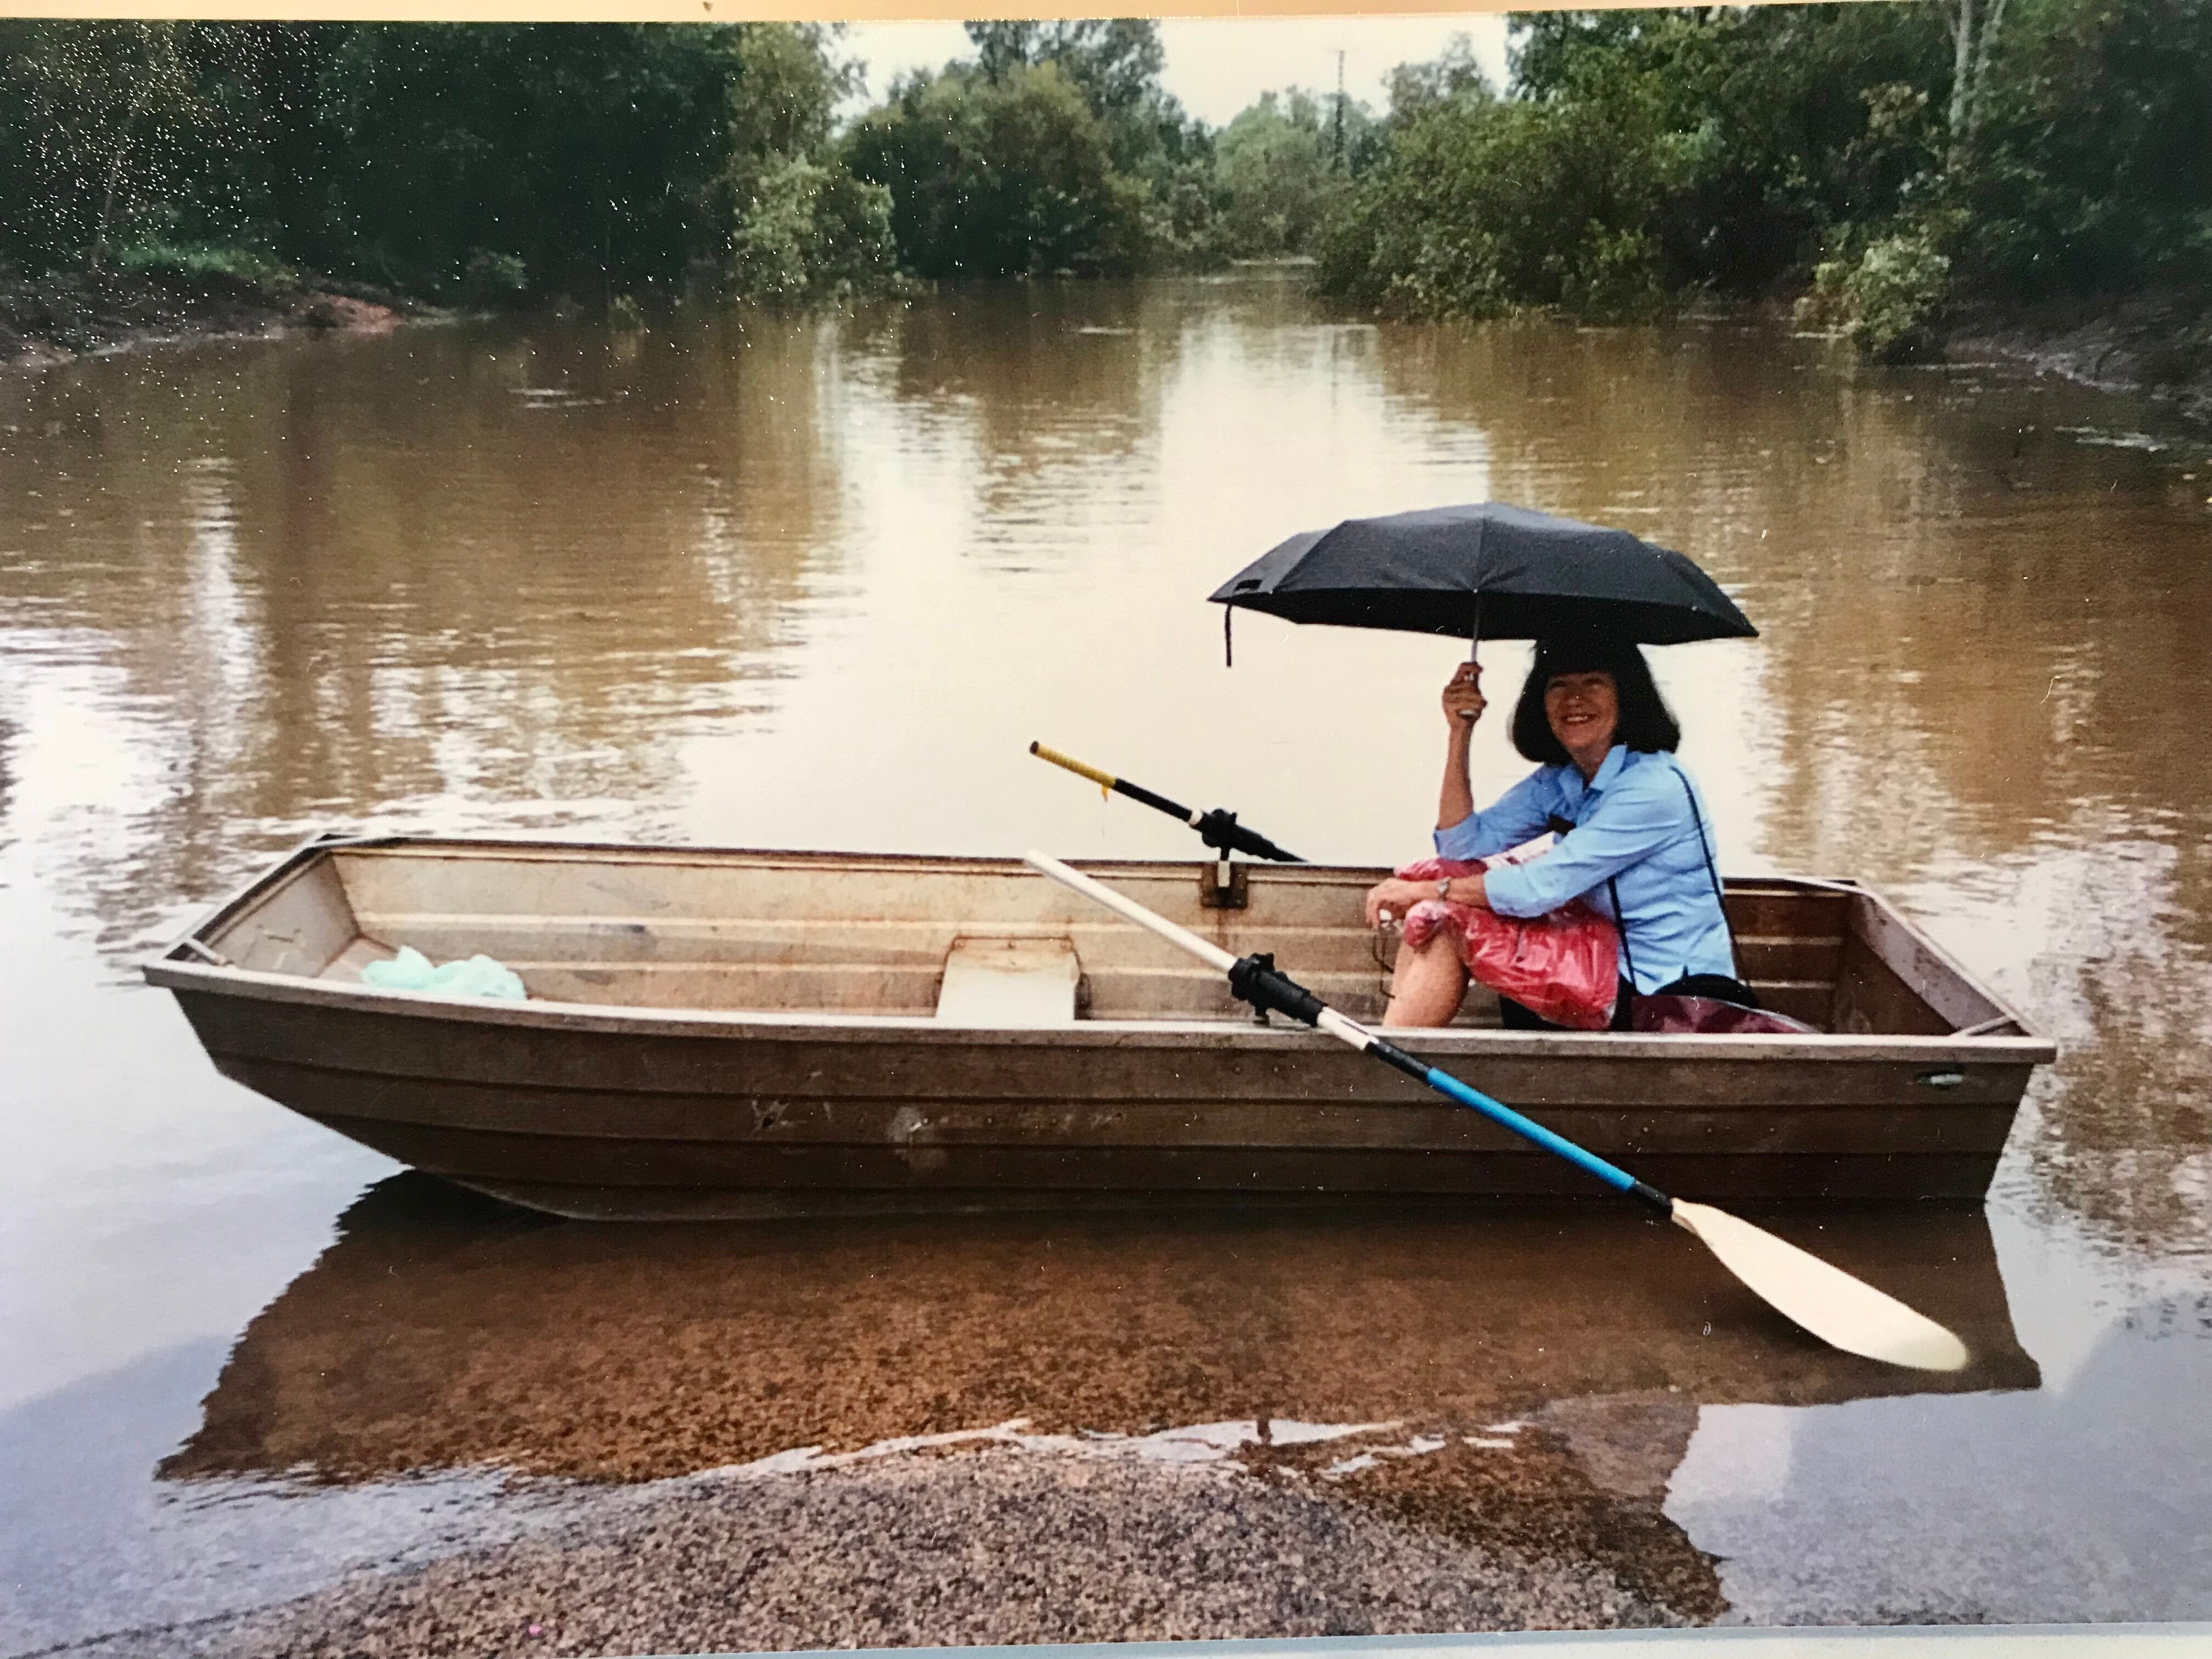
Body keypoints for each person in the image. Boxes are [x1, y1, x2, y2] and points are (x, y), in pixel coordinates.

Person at [1362, 635, 1756, 1029]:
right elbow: (1460, 846)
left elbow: (1540, 889)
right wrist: (1459, 733)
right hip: (1603, 961)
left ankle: (1384, 1064)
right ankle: (1392, 1044)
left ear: (1627, 697)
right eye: (1558, 686)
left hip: (1668, 996)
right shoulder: (1563, 778)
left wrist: (1430, 893)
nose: (1574, 700)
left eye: (1593, 684)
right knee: (1427, 878)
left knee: (1442, 916)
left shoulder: (1654, 787)